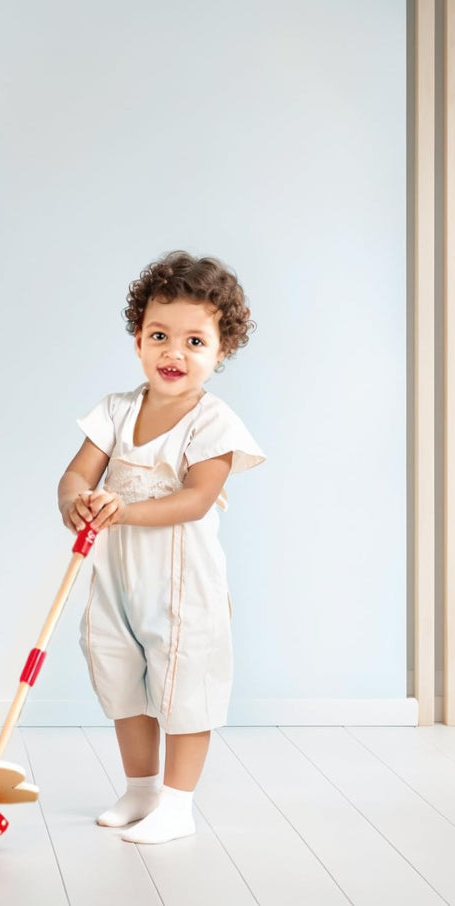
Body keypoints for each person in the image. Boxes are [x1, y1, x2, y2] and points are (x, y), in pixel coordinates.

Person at [57, 250, 265, 845]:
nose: (174, 353)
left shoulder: (213, 424)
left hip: (182, 585)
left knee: (184, 682)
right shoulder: (116, 412)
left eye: (195, 341)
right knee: (121, 673)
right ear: (138, 341)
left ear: (221, 351)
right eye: (159, 335)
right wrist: (76, 503)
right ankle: (142, 788)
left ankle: (178, 803)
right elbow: (75, 476)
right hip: (117, 578)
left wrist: (126, 509)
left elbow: (197, 499)